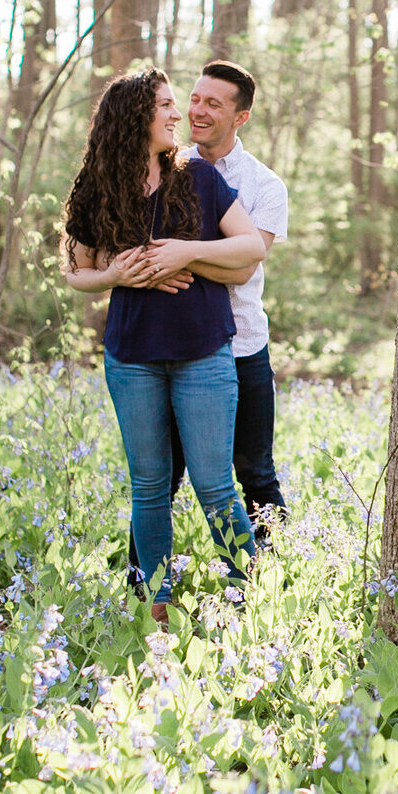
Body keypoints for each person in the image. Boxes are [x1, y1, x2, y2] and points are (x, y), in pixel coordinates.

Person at [63, 69, 265, 621]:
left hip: (203, 351)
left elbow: (250, 246)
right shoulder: (98, 187)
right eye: (166, 106)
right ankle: (156, 604)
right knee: (149, 485)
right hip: (132, 358)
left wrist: (180, 251)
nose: (178, 116)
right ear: (135, 117)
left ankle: (250, 599)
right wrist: (115, 278)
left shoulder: (198, 178)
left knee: (214, 484)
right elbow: (77, 272)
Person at [126, 58, 289, 558]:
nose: (197, 111)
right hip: (178, 346)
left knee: (254, 471)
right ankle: (143, 582)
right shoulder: (161, 169)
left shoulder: (264, 186)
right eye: (194, 98)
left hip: (242, 345)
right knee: (161, 476)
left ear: (240, 117)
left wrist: (180, 256)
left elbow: (243, 268)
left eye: (213, 104)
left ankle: (279, 572)